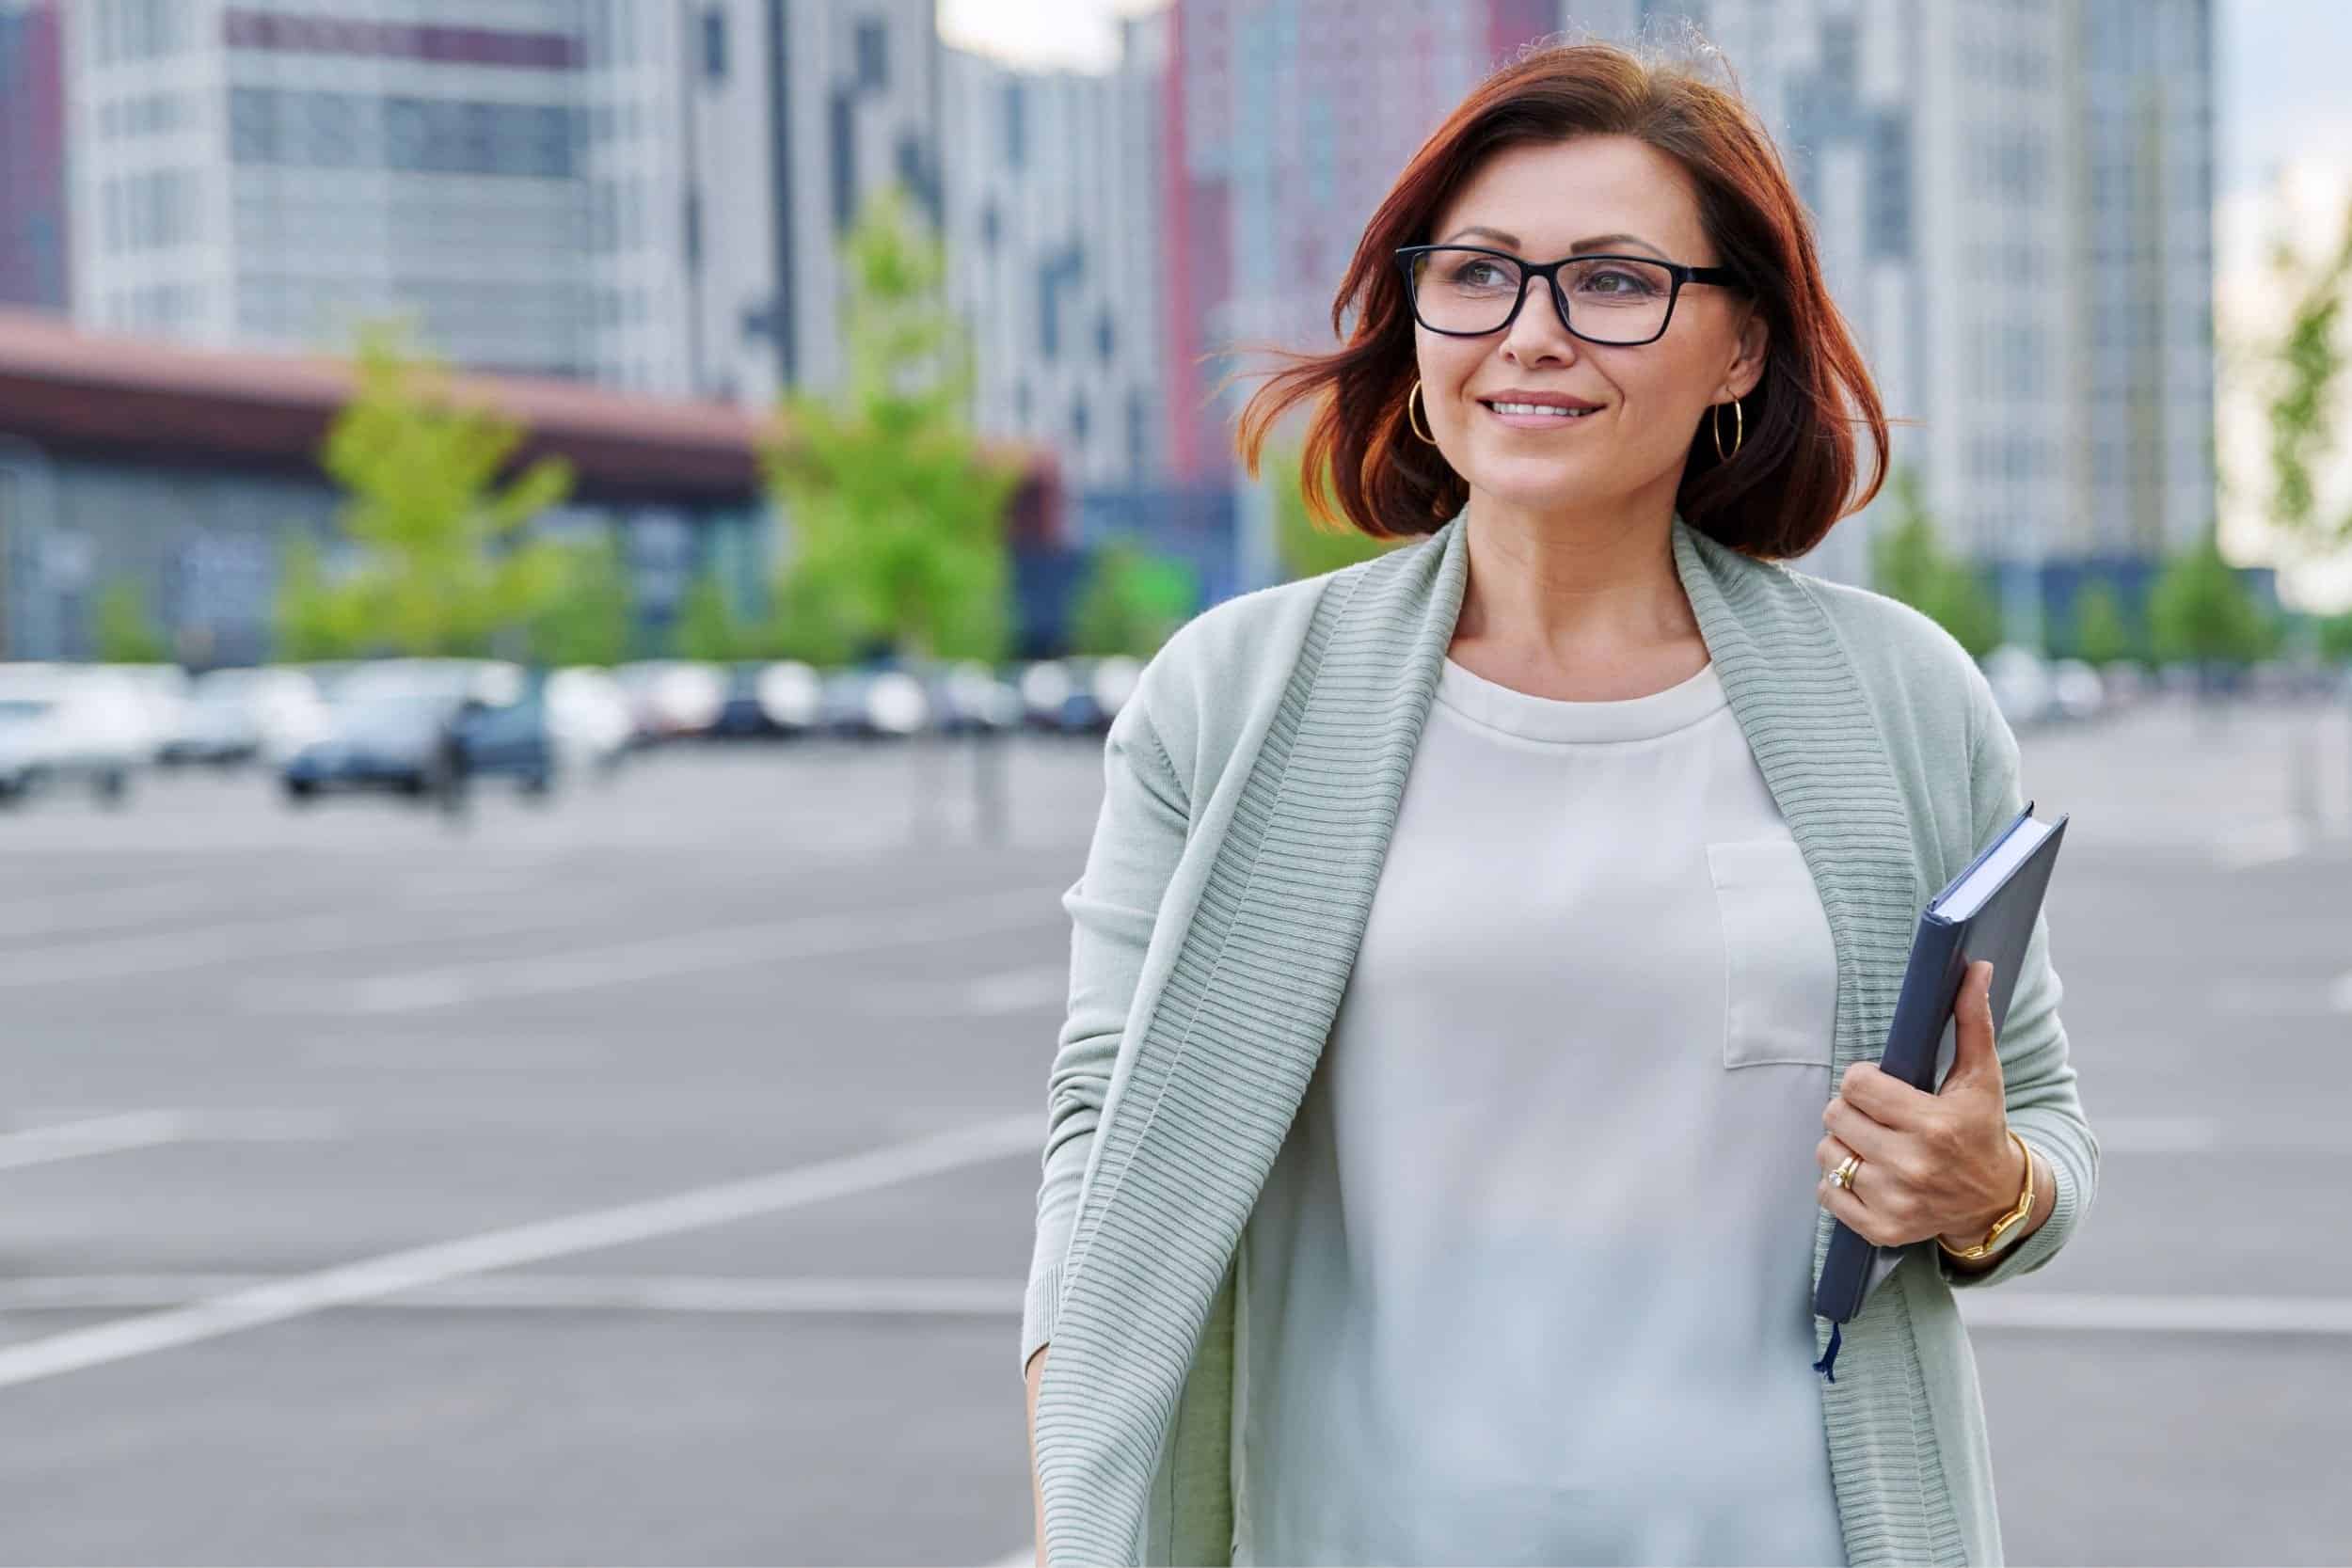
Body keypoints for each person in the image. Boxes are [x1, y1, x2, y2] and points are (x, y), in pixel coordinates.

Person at [1022, 33, 2097, 1568]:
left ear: (1740, 348)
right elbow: (1100, 1140)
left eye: (1612, 281)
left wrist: (1992, 1193)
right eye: (1476, 274)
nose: (1530, 332)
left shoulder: (1900, 697)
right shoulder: (1233, 694)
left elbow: (2038, 1125)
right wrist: (1082, 1519)